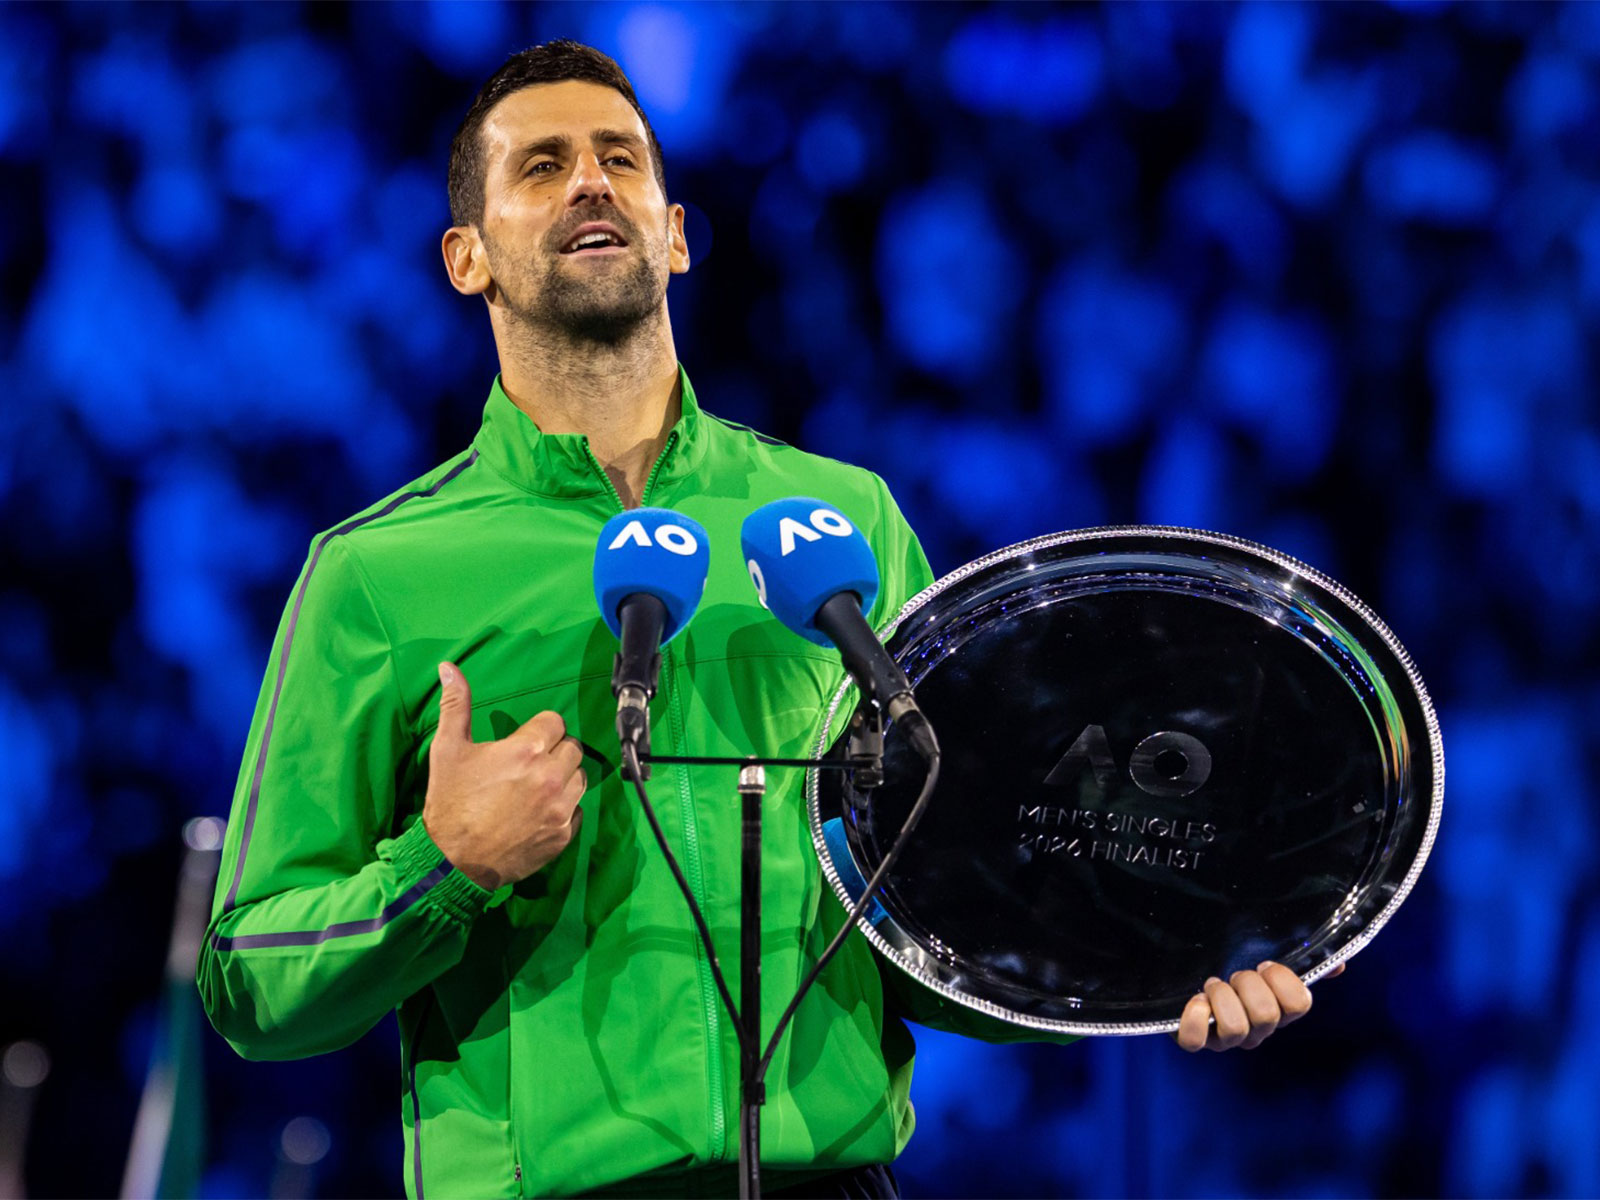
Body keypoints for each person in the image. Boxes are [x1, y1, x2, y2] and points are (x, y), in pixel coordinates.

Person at [198, 40, 1337, 1199]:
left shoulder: (844, 523)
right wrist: (444, 867)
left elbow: (939, 925)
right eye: (541, 167)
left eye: (619, 160)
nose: (591, 183)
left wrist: (1156, 972)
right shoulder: (379, 573)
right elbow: (247, 977)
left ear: (676, 231)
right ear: (466, 257)